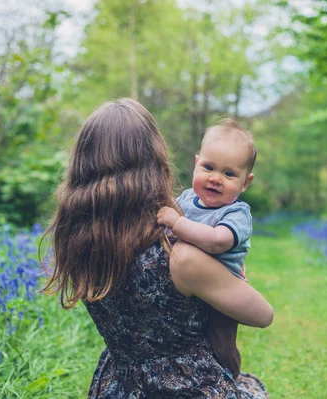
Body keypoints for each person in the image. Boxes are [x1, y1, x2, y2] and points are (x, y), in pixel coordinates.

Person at [40, 98, 273, 398]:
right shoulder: (180, 256)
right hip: (189, 388)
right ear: (154, 163)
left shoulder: (79, 244)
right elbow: (262, 315)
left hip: (117, 387)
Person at [156, 118, 256, 379]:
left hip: (222, 290)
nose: (215, 179)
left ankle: (232, 379)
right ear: (196, 163)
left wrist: (177, 223)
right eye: (208, 167)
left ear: (246, 182)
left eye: (229, 174)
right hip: (189, 287)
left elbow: (215, 241)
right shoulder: (187, 198)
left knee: (220, 345)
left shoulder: (236, 213)